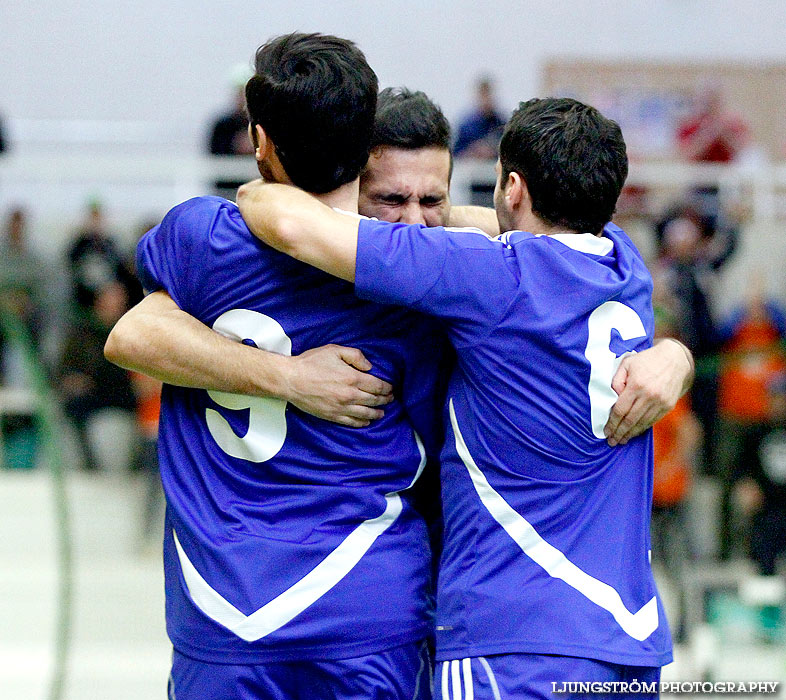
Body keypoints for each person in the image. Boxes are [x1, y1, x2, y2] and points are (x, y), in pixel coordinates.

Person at [235, 97, 680, 697]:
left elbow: (285, 221)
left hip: (514, 634)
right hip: (627, 644)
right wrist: (676, 355)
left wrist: (254, 185)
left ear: (512, 185)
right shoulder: (628, 268)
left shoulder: (489, 275)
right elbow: (487, 222)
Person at [108, 33, 447, 700]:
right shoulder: (421, 280)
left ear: (258, 141)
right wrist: (292, 378)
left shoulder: (200, 238)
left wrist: (270, 372)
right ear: (365, 146)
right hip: (369, 602)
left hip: (224, 607)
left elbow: (131, 332)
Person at [452, 76, 506, 159]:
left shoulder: (501, 124)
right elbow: (457, 154)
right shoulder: (466, 126)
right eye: (483, 96)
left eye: (488, 95)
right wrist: (473, 151)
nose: (486, 100)